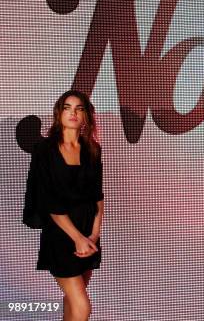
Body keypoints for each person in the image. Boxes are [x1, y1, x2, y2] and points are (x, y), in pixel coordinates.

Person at [24, 90, 104, 321]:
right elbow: (48, 199)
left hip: (88, 233)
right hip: (61, 235)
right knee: (83, 307)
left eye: (79, 108)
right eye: (67, 107)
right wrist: (77, 238)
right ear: (59, 113)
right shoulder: (45, 149)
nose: (73, 113)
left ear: (86, 116)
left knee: (72, 300)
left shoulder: (93, 150)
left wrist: (94, 234)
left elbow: (98, 196)